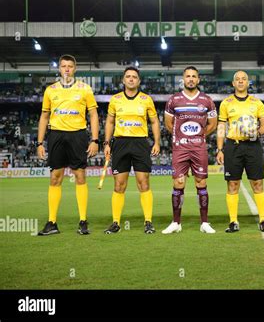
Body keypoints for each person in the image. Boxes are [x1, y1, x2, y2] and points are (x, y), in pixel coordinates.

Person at [37, 54, 99, 235]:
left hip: (78, 135)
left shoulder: (85, 89)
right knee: (55, 177)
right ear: (59, 69)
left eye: (70, 66)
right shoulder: (50, 90)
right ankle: (52, 223)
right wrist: (40, 143)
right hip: (56, 135)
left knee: (80, 176)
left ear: (75, 68)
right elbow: (44, 117)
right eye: (63, 66)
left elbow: (93, 115)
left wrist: (94, 140)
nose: (66, 69)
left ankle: (82, 221)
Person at [103, 67, 160, 234]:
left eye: (134, 77)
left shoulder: (146, 99)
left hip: (140, 144)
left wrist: (156, 142)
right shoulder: (115, 99)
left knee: (144, 183)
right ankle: (115, 223)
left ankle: (148, 222)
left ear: (139, 81)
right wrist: (106, 143)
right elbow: (110, 122)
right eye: (128, 76)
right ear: (123, 80)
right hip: (120, 143)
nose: (131, 79)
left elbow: (155, 122)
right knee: (119, 185)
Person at [162, 66, 217, 234]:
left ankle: (205, 223)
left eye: (194, 76)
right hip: (180, 148)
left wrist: (200, 135)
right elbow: (168, 123)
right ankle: (176, 222)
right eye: (188, 76)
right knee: (178, 183)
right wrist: (181, 137)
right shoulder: (174, 100)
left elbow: (213, 124)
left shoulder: (207, 100)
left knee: (201, 183)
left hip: (198, 148)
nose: (191, 79)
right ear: (183, 79)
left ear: (198, 79)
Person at [216, 70, 264, 233]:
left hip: (253, 146)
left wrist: (258, 133)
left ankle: (263, 220)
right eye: (237, 79)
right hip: (233, 146)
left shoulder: (257, 103)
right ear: (233, 83)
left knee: (257, 183)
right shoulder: (226, 103)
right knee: (232, 184)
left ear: (248, 83)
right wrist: (220, 149)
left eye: (243, 79)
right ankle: (233, 221)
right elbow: (221, 127)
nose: (240, 81)